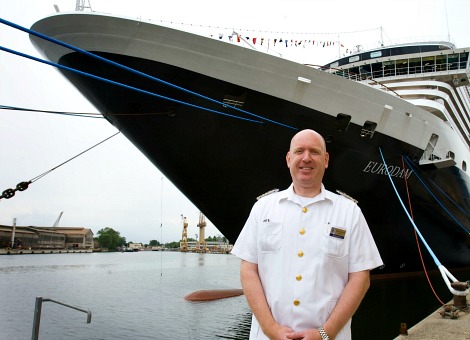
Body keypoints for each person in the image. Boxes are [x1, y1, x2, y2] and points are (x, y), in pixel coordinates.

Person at [231, 129, 383, 340]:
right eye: (299, 151)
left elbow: (360, 278)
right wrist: (270, 329)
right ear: (288, 158)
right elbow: (248, 270)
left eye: (315, 151)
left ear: (326, 159)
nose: (306, 158)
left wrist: (325, 333)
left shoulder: (349, 212)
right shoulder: (262, 208)